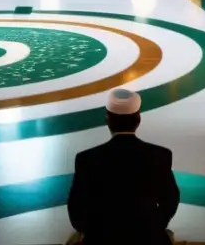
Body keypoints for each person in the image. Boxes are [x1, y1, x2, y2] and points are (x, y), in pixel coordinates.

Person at [67, 89, 179, 245]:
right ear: (138, 120)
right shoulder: (160, 155)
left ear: (108, 120)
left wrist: (93, 232)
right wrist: (153, 227)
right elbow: (171, 200)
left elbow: (76, 210)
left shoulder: (87, 159)